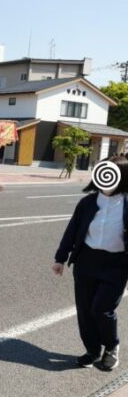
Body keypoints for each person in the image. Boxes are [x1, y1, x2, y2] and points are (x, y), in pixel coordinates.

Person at [53, 155, 128, 371]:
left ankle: (111, 346)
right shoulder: (87, 203)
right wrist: (60, 258)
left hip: (116, 264)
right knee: (85, 310)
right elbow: (72, 231)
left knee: (102, 309)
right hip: (86, 262)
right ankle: (92, 350)